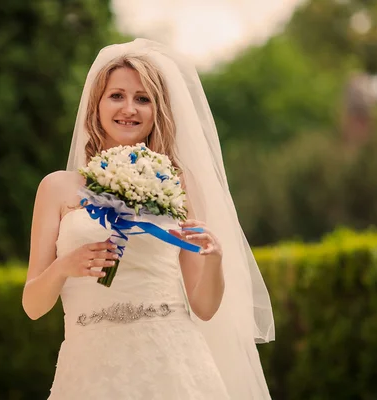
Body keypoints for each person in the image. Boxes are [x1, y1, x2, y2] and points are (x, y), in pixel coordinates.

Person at [22, 39, 275, 399]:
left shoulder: (177, 183)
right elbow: (33, 306)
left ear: (158, 111)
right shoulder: (57, 188)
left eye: (143, 99)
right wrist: (65, 266)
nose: (129, 108)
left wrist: (215, 260)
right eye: (117, 96)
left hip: (173, 365)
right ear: (96, 106)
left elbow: (203, 307)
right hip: (89, 370)